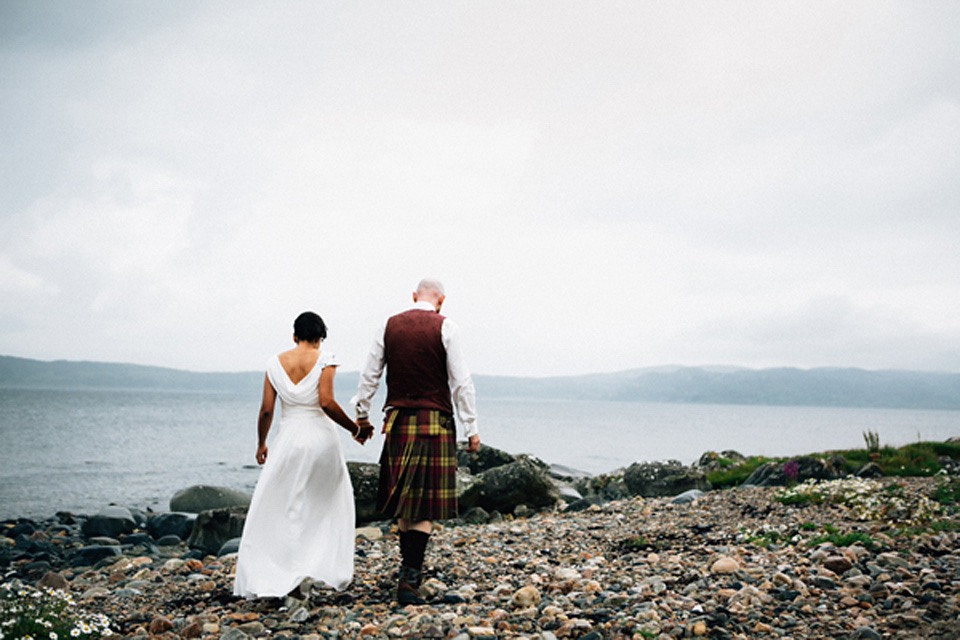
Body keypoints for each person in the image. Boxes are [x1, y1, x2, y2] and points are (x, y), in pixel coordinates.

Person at [352, 278, 480, 605]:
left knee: (405, 503)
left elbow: (370, 374)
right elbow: (460, 382)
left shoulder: (389, 324)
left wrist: (362, 414)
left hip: (397, 421)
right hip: (433, 421)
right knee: (422, 505)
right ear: (442, 300)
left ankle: (409, 571)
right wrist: (471, 427)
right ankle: (409, 577)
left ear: (413, 297)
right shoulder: (446, 326)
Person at [234, 311, 374, 600]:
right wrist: (355, 429)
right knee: (324, 506)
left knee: (284, 506)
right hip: (321, 441)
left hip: (288, 440)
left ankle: (287, 574)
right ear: (320, 337)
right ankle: (311, 568)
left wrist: (261, 443)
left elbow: (266, 410)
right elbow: (326, 402)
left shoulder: (275, 363)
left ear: (294, 335)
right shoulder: (325, 358)